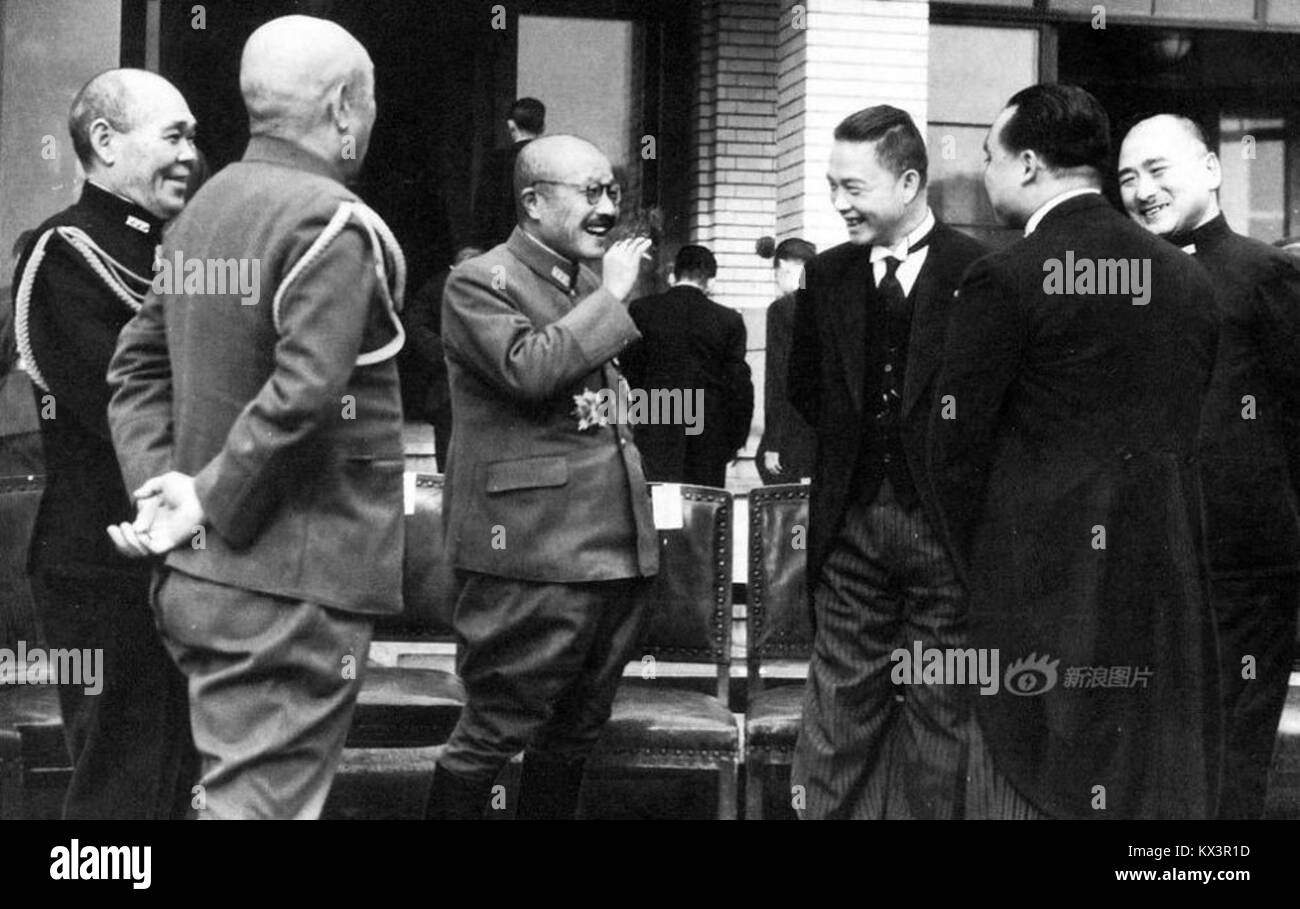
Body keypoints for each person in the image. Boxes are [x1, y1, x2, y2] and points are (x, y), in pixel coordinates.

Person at [105, 15, 406, 819]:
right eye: (368, 101)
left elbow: (134, 367)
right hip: (290, 587)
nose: (369, 119)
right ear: (344, 107)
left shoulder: (201, 213)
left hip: (202, 581)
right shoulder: (327, 220)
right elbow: (307, 387)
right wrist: (202, 495)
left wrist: (160, 487)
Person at [929, 84, 1222, 819]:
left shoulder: (1003, 278)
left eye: (990, 156)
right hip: (1165, 590)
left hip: (1036, 594)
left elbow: (951, 455)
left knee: (1027, 787)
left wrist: (994, 558)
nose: (985, 173)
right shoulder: (1186, 277)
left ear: (1028, 165)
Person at [430, 134, 658, 820]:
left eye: (612, 192)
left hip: (610, 555)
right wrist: (614, 296)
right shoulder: (479, 280)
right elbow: (529, 368)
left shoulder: (583, 285)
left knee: (575, 733)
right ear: (532, 201)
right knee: (493, 732)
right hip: (527, 557)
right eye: (589, 192)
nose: (607, 207)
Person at [9, 68, 199, 819]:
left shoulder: (179, 254)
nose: (191, 152)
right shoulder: (67, 254)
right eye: (174, 135)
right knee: (119, 790)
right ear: (107, 141)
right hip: (101, 561)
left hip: (171, 554)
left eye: (193, 135)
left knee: (168, 786)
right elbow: (120, 401)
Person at [787, 105, 986, 820]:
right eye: (831, 185)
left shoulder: (981, 272)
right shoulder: (828, 273)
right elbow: (806, 389)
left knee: (942, 713)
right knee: (837, 706)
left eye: (853, 187)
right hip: (851, 524)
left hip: (947, 532)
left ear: (908, 182)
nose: (838, 203)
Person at [1119, 113, 1300, 819]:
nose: (1142, 190)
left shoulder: (1266, 274)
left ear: (1212, 170)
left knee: (1227, 760)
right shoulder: (1122, 280)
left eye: (1159, 170)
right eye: (1128, 177)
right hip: (1143, 560)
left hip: (1243, 569)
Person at [621, 244, 753, 488]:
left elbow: (630, 370)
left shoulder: (642, 310)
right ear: (710, 282)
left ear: (674, 275)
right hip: (708, 433)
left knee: (659, 509)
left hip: (655, 425)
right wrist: (735, 439)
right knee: (704, 511)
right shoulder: (728, 320)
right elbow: (739, 386)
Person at [402, 245, 482, 470]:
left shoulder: (495, 287)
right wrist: (442, 353)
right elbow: (416, 324)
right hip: (446, 385)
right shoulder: (437, 288)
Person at [757, 238, 816, 485]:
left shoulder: (782, 309)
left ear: (783, 266)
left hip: (793, 426)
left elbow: (778, 377)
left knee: (785, 502)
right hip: (826, 427)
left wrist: (773, 443)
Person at [469, 97, 545, 251]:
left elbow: (483, 211)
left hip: (501, 248)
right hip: (540, 247)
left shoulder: (495, 161)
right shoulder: (552, 160)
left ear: (511, 125)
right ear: (542, 127)